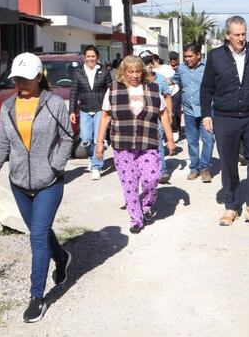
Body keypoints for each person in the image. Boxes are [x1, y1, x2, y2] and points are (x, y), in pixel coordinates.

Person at [0, 53, 74, 323]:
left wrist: (55, 167)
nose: (19, 83)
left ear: (39, 77)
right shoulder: (9, 106)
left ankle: (37, 297)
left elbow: (67, 138)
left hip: (49, 182)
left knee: (36, 237)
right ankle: (61, 257)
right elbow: (1, 141)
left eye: (25, 78)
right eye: (16, 79)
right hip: (19, 183)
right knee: (41, 231)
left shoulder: (54, 104)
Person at [200, 16, 249, 228]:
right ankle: (231, 206)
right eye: (237, 35)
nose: (241, 38)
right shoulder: (215, 56)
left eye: (244, 34)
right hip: (225, 117)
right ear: (228, 36)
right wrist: (206, 114)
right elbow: (206, 88)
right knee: (229, 162)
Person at [96, 55, 175, 234]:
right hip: (122, 145)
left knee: (151, 178)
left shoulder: (153, 89)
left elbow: (163, 114)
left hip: (148, 143)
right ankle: (136, 219)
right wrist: (99, 143)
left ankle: (146, 205)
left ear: (143, 71)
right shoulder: (113, 90)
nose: (134, 75)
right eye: (130, 71)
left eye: (138, 71)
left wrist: (170, 140)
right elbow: (106, 116)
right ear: (123, 72)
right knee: (129, 184)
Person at [69, 45, 111, 180]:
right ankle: (93, 157)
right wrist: (72, 111)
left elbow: (111, 90)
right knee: (86, 140)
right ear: (84, 57)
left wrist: (112, 109)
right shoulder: (78, 72)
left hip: (100, 109)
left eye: (93, 56)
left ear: (97, 57)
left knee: (98, 140)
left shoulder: (104, 71)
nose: (91, 59)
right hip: (85, 110)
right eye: (88, 56)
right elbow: (74, 92)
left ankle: (96, 167)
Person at [177, 43, 214, 182]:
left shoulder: (208, 68)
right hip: (188, 111)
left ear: (198, 55)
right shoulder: (181, 68)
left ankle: (205, 168)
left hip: (206, 111)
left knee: (208, 140)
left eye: (190, 56)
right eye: (185, 56)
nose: (187, 59)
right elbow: (175, 81)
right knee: (192, 141)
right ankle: (194, 168)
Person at [143, 53, 177, 184]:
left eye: (150, 62)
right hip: (143, 118)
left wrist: (170, 114)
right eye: (146, 63)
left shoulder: (161, 79)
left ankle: (162, 170)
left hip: (158, 117)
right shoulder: (137, 80)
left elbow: (167, 97)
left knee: (158, 142)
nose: (149, 65)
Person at [168, 51, 183, 140]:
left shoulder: (181, 68)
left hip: (178, 92)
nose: (173, 61)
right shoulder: (166, 68)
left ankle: (176, 129)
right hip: (168, 93)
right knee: (170, 112)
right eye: (171, 59)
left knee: (177, 112)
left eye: (174, 59)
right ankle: (172, 130)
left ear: (177, 59)